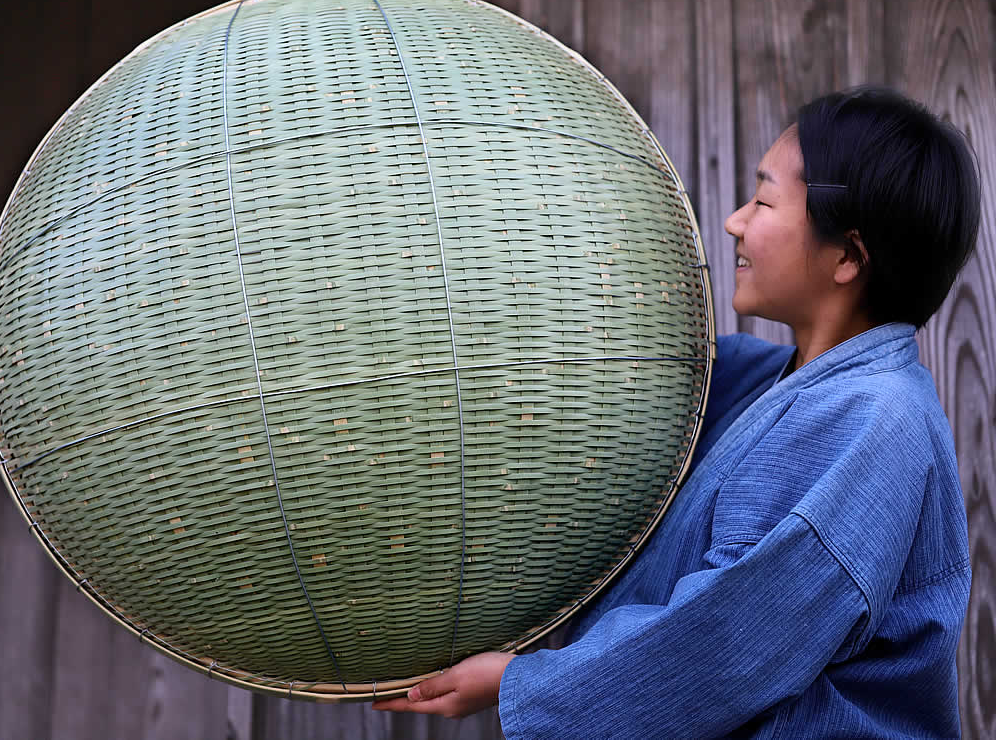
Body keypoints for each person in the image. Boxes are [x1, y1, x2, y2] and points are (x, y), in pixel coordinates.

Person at [373, 86, 982, 738]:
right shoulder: (781, 382)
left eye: (765, 200)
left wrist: (520, 683)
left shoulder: (874, 419)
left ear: (847, 257)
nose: (734, 221)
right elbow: (650, 370)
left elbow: (724, 640)